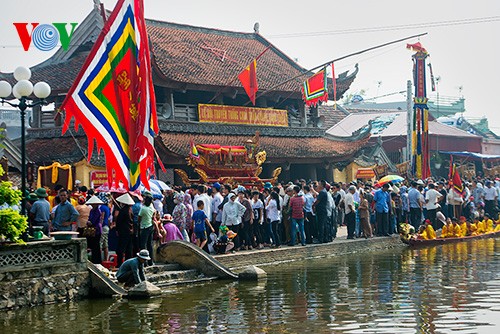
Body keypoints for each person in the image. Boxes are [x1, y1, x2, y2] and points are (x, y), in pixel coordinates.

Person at [85, 195, 104, 264]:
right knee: (93, 246)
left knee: (96, 246)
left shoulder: (98, 211)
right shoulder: (92, 210)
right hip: (92, 229)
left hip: (96, 229)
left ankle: (97, 260)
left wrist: (90, 222)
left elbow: (94, 220)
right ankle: (94, 260)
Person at [138, 192, 155, 266]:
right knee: (149, 245)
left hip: (144, 227)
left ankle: (144, 262)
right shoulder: (151, 206)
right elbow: (154, 214)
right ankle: (150, 261)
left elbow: (139, 218)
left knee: (143, 245)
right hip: (150, 226)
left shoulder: (143, 209)